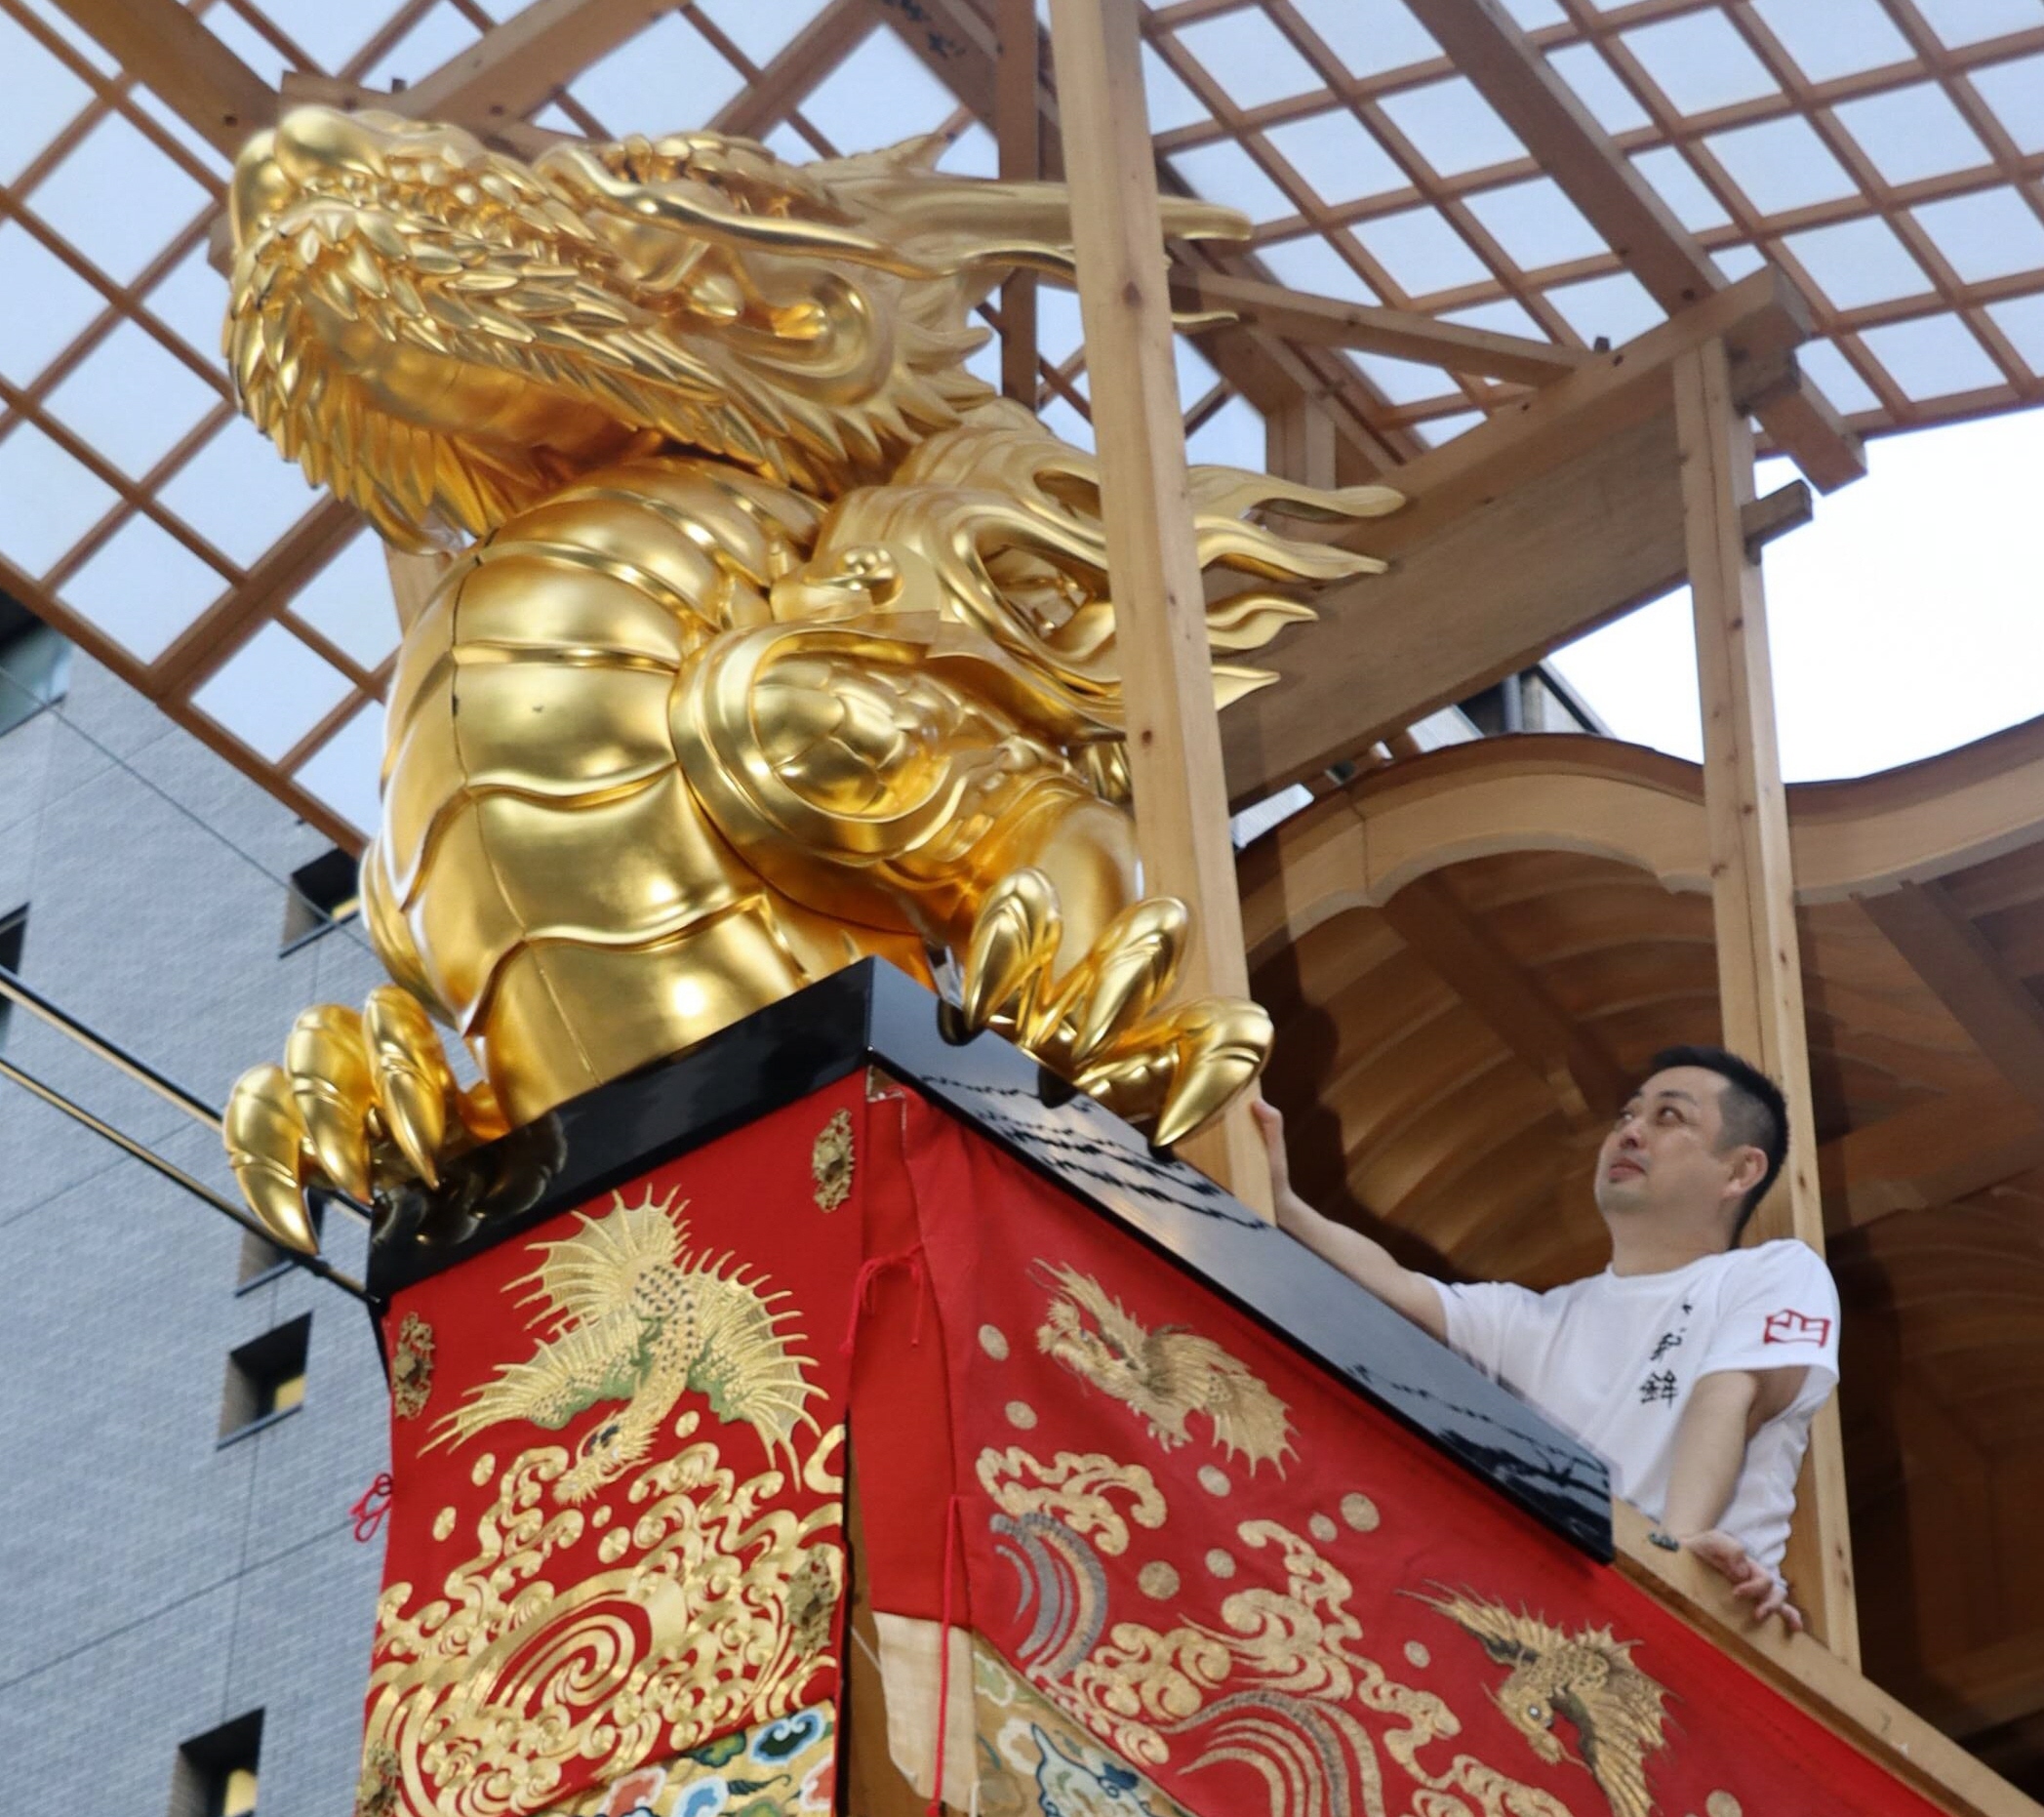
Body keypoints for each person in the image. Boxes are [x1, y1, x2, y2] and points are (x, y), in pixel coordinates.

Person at [1255, 1044, 1839, 1630]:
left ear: (1740, 1171)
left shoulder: (1774, 1272)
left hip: (1691, 1630)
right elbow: (1397, 1289)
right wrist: (1282, 1203)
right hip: (1545, 1619)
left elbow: (1728, 1398)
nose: (1631, 1132)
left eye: (1668, 1117)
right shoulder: (1534, 1320)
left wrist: (1680, 1554)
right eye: (1627, 1116)